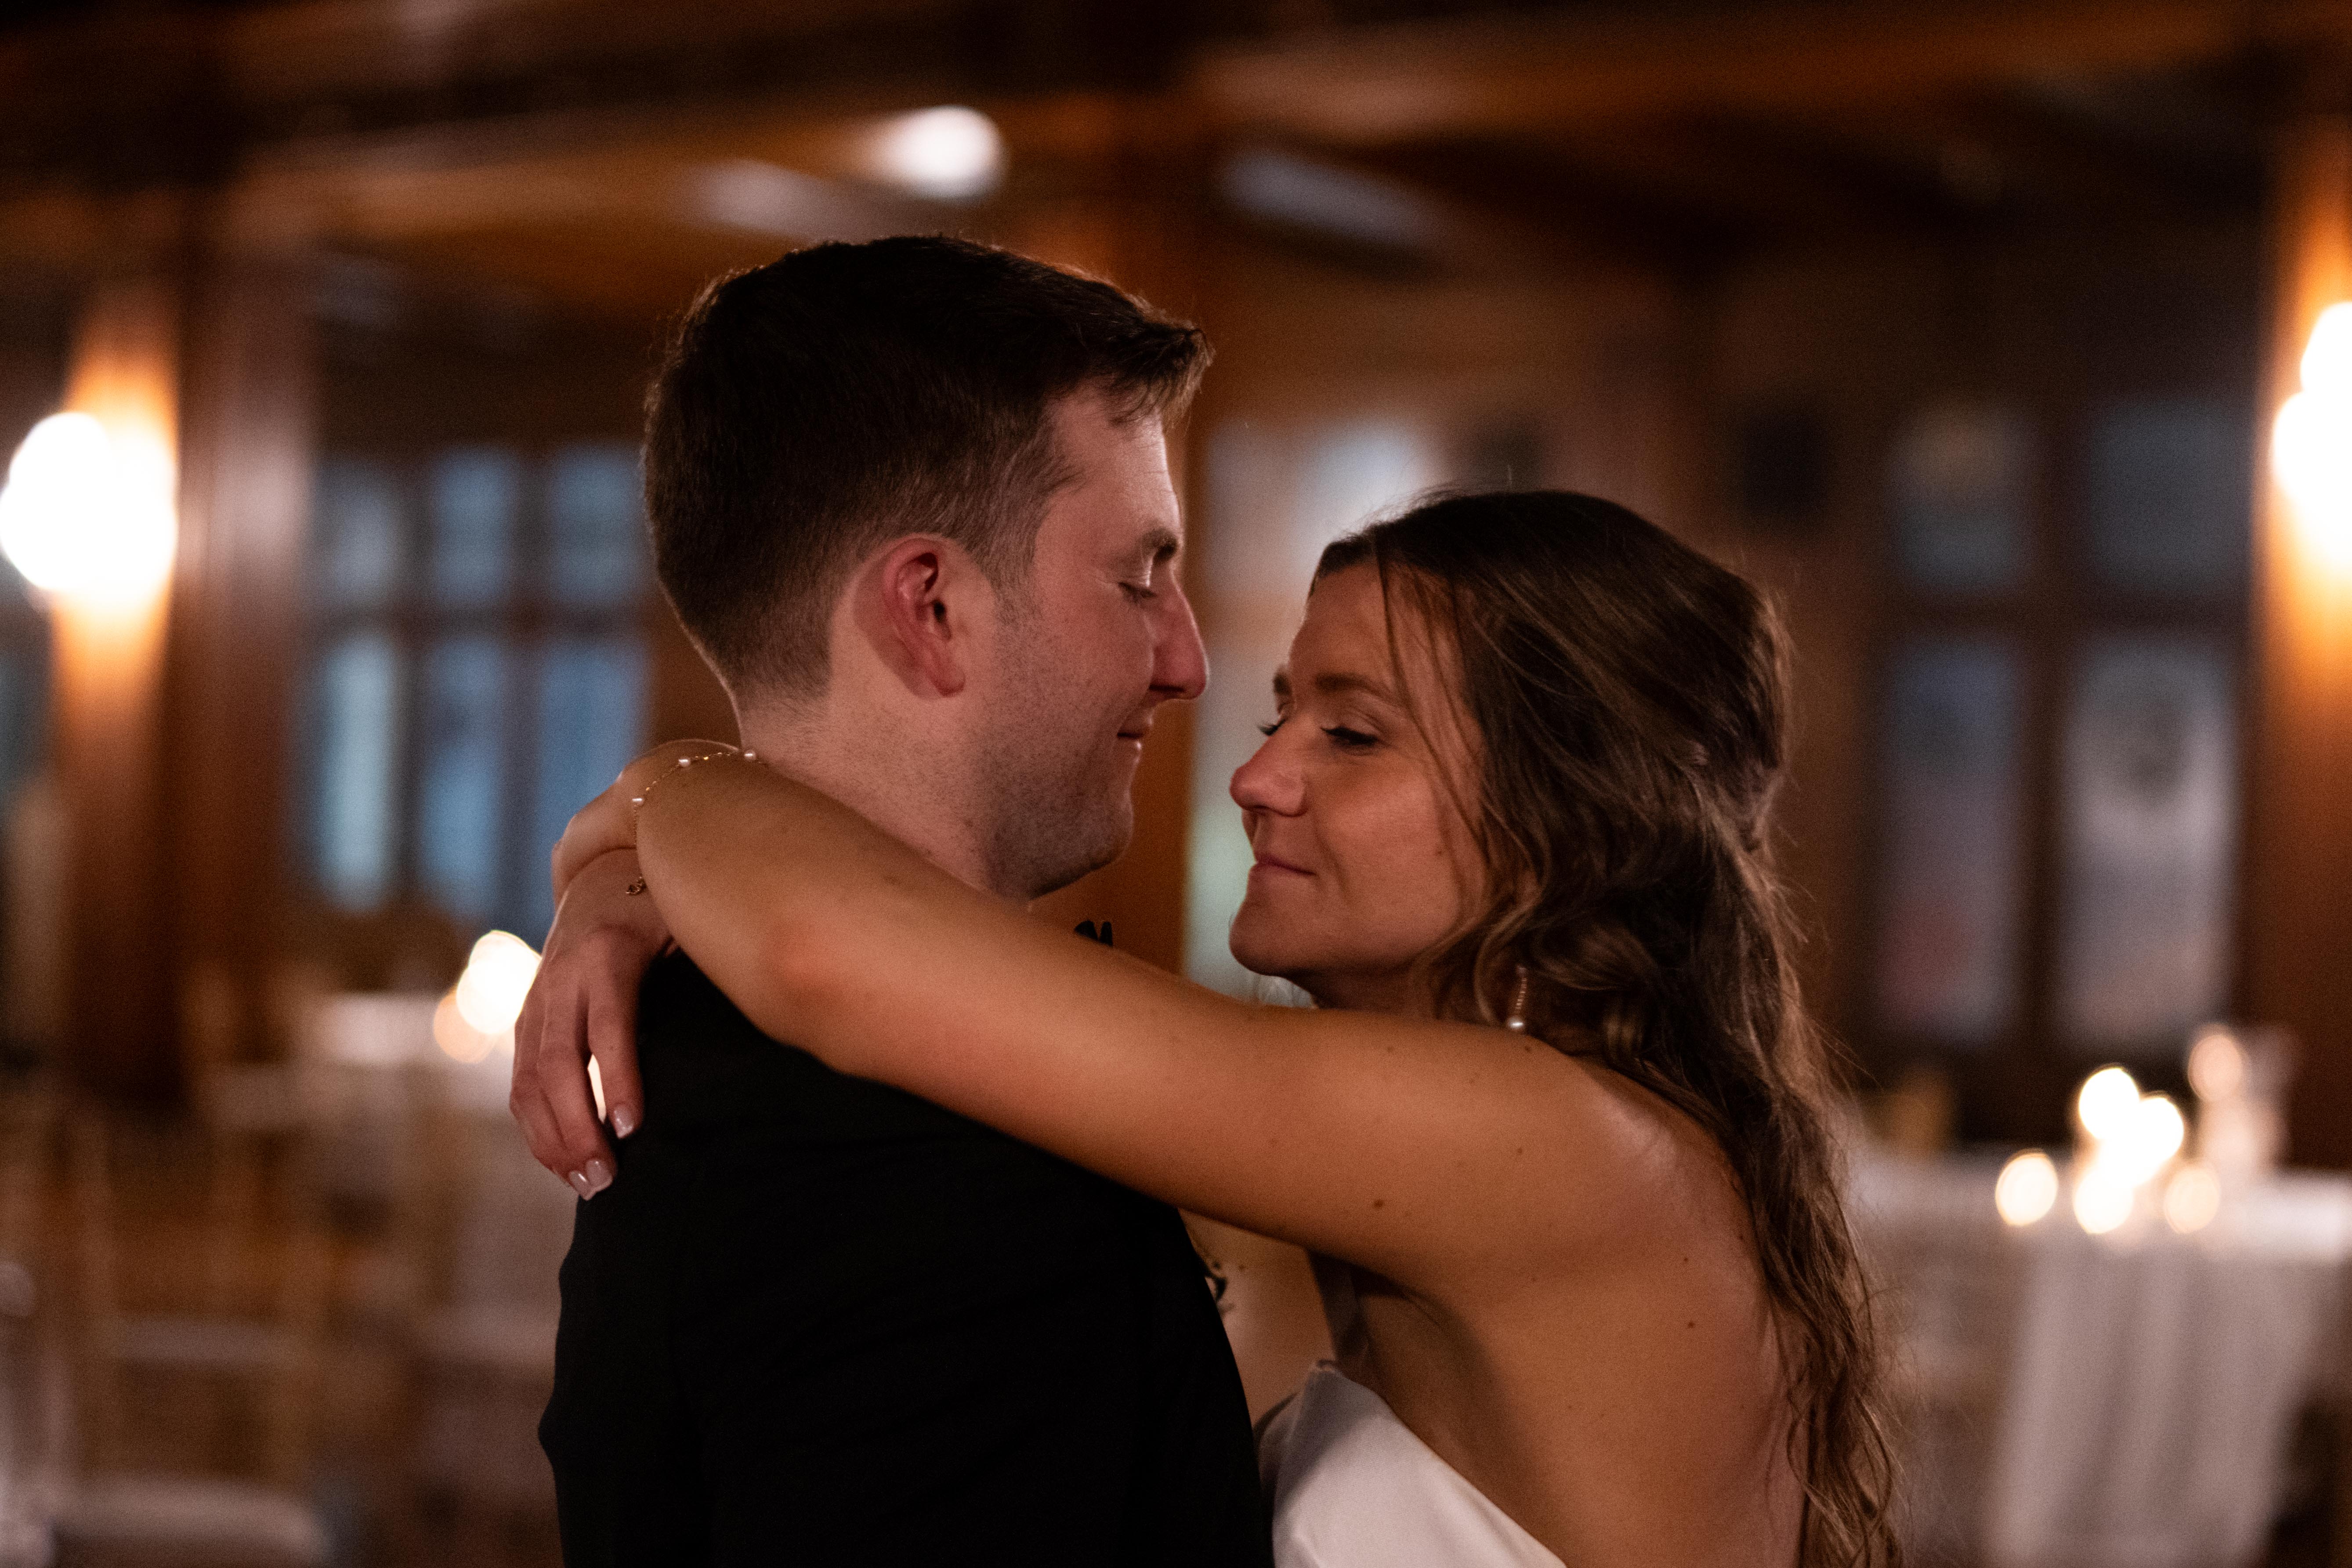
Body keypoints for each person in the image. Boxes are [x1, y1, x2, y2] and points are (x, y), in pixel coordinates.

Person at [524, 489, 1901, 1566]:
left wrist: (661, 797)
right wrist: (633, 869)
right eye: (1279, 712)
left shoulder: (1550, 1142)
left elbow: (829, 951)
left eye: (1353, 737)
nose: (1253, 777)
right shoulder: (1499, 1148)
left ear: (1572, 822)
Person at [511, 235, 1273, 1565]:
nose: (1187, 659)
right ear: (929, 607)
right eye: (1137, 577)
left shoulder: (732, 1042)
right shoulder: (908, 1170)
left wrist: (651, 819)